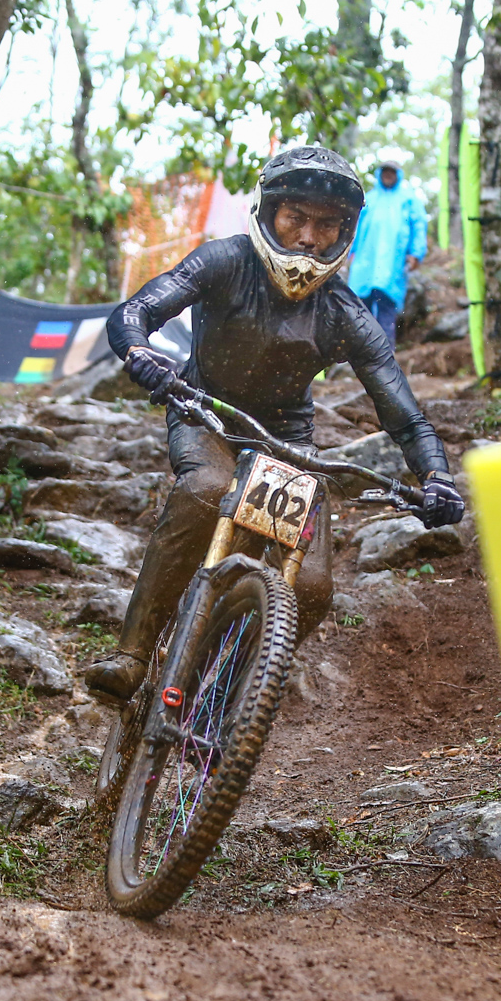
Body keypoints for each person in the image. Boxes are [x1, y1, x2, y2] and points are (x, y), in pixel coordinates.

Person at [83, 145, 464, 702]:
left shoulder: (344, 312)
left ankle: (225, 700)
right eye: (296, 219)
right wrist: (139, 351)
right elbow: (135, 310)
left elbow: (403, 413)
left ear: (344, 233)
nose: (310, 238)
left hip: (288, 440)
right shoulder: (224, 260)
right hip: (205, 410)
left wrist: (436, 476)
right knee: (208, 488)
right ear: (268, 214)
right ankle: (133, 654)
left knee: (310, 586)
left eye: (328, 224)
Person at [346, 150, 430, 348]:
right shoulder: (370, 199)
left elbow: (418, 227)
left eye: (392, 172)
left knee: (385, 309)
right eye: (385, 171)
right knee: (360, 310)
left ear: (398, 175)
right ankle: (359, 355)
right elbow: (356, 227)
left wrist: (416, 254)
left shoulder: (408, 200)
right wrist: (351, 252)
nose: (388, 175)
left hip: (392, 262)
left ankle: (385, 356)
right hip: (365, 263)